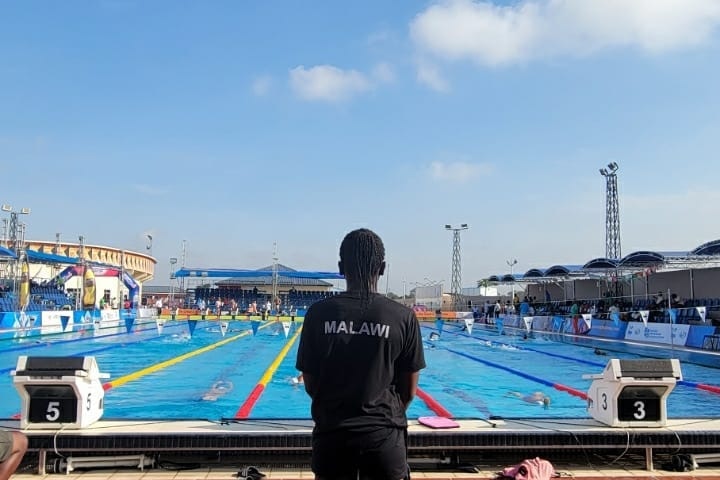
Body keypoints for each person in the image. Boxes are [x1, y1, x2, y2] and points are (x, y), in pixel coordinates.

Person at [296, 228, 426, 480]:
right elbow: (408, 392)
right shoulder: (403, 317)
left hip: (332, 440)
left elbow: (311, 384)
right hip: (385, 442)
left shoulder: (317, 314)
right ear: (383, 268)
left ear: (340, 267)